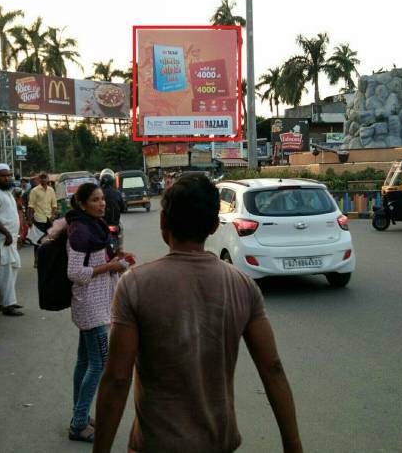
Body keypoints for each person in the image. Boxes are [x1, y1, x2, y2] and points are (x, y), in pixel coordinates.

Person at [94, 174, 302, 453]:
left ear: (163, 221)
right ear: (215, 226)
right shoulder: (243, 286)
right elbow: (272, 369)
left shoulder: (135, 285)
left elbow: (118, 379)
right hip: (218, 442)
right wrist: (293, 446)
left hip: (156, 444)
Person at [63, 182, 129, 443]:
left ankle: (79, 415)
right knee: (99, 364)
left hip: (99, 302)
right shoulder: (80, 232)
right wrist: (111, 267)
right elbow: (75, 273)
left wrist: (120, 256)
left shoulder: (95, 226)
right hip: (91, 306)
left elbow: (100, 258)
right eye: (95, 200)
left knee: (84, 362)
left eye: (102, 199)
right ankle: (79, 424)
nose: (101, 204)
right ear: (81, 204)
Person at [0, 164, 24, 317]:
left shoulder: (8, 192)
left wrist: (17, 236)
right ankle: (7, 306)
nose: (7, 178)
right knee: (5, 272)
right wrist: (8, 234)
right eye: (3, 175)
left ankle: (8, 301)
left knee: (13, 268)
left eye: (8, 175)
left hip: (11, 238)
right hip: (2, 239)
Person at [28, 172, 58, 240]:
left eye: (45, 178)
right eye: (42, 178)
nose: (43, 179)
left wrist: (53, 215)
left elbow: (54, 205)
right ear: (39, 179)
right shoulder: (34, 191)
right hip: (39, 219)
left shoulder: (51, 190)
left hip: (49, 219)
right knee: (38, 240)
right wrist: (29, 220)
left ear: (48, 179)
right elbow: (31, 206)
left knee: (50, 239)